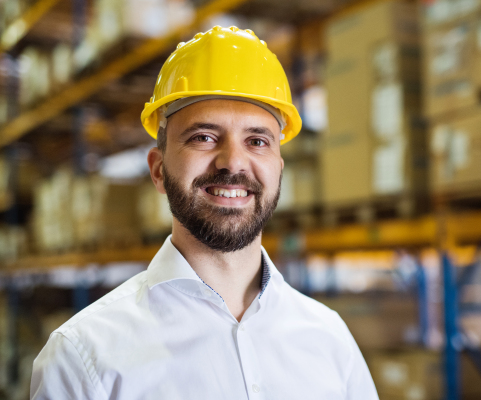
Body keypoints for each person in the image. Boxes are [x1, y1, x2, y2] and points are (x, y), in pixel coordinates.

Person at [30, 26, 378, 399]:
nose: (233, 162)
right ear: (159, 169)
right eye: (204, 137)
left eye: (257, 141)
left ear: (278, 168)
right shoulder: (84, 358)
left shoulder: (330, 341)